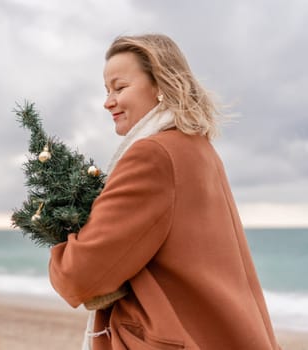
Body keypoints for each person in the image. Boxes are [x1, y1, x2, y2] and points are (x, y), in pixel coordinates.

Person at [48, 34, 281, 350]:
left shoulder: (152, 156)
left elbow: (81, 277)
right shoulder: (199, 149)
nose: (108, 101)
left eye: (120, 88)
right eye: (106, 91)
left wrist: (63, 240)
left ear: (160, 85)